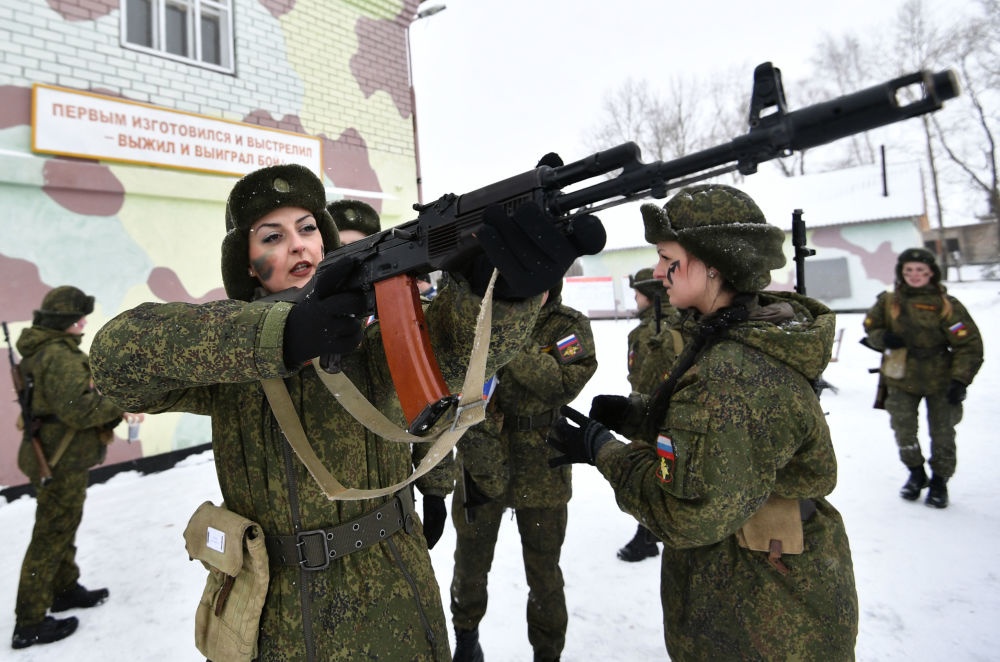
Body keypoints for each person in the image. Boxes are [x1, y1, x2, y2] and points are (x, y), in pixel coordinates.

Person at [89, 163, 597, 661]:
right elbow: (116, 359)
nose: (297, 244)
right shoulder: (224, 354)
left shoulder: (369, 339)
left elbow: (457, 350)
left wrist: (505, 292)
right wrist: (282, 337)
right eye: (271, 237)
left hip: (393, 596)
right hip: (278, 614)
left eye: (308, 228)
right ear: (246, 263)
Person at [547, 184, 859, 661]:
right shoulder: (735, 336)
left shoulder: (733, 375)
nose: (656, 272)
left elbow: (686, 512)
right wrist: (638, 416)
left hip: (763, 621)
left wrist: (602, 450)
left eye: (666, 257)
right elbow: (715, 443)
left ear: (714, 265)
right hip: (752, 592)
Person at [450, 279, 597, 662]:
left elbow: (562, 382)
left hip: (542, 468)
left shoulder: (566, 326)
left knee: (544, 571)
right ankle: (466, 637)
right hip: (481, 458)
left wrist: (505, 342)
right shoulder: (480, 318)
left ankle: (547, 652)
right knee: (470, 560)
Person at [12, 286, 133, 650]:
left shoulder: (48, 350)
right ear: (65, 321)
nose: (83, 322)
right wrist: (120, 402)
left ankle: (64, 589)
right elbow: (79, 409)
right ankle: (29, 622)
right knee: (50, 535)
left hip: (57, 455)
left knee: (61, 525)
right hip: (60, 459)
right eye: (78, 317)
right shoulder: (58, 356)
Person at [862, 247, 983, 508]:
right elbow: (871, 327)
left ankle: (939, 481)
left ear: (931, 273)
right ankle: (916, 473)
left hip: (940, 377)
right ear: (901, 273)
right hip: (900, 375)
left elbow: (968, 344)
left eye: (920, 270)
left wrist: (960, 380)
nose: (914, 275)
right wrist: (883, 338)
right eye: (908, 270)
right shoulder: (889, 301)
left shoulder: (946, 306)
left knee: (942, 434)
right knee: (903, 431)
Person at [617, 267, 683, 563]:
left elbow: (643, 382)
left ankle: (647, 535)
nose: (635, 298)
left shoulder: (648, 334)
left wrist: (635, 415)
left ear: (652, 296)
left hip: (654, 416)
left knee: (652, 473)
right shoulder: (683, 323)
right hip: (678, 417)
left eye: (639, 293)